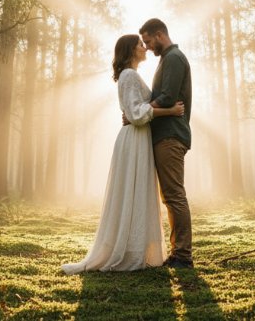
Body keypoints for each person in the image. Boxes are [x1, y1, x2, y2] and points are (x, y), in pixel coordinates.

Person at [61, 34, 184, 274]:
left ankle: (136, 249)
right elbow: (137, 114)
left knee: (137, 191)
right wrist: (170, 110)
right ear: (130, 51)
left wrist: (144, 111)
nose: (145, 47)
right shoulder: (129, 76)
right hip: (134, 138)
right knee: (132, 189)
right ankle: (129, 252)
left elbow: (136, 110)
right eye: (140, 44)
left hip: (139, 138)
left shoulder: (132, 75)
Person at [139, 18, 193, 269]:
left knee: (174, 194)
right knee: (170, 196)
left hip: (171, 135)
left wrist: (138, 112)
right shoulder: (167, 59)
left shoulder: (173, 58)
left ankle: (183, 255)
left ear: (160, 34)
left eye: (149, 41)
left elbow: (168, 97)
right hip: (166, 135)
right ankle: (178, 252)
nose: (147, 47)